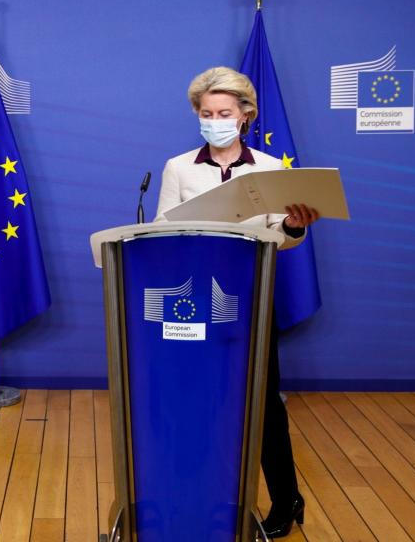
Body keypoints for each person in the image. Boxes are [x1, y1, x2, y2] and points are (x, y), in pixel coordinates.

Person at [154, 66, 319, 539]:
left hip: (249, 296)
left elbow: (280, 240)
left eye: (224, 112)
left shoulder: (269, 167)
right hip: (192, 299)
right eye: (206, 113)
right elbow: (160, 230)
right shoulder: (177, 167)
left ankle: (286, 498)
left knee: (263, 402)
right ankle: (199, 494)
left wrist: (293, 227)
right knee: (196, 397)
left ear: (245, 115)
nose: (214, 120)